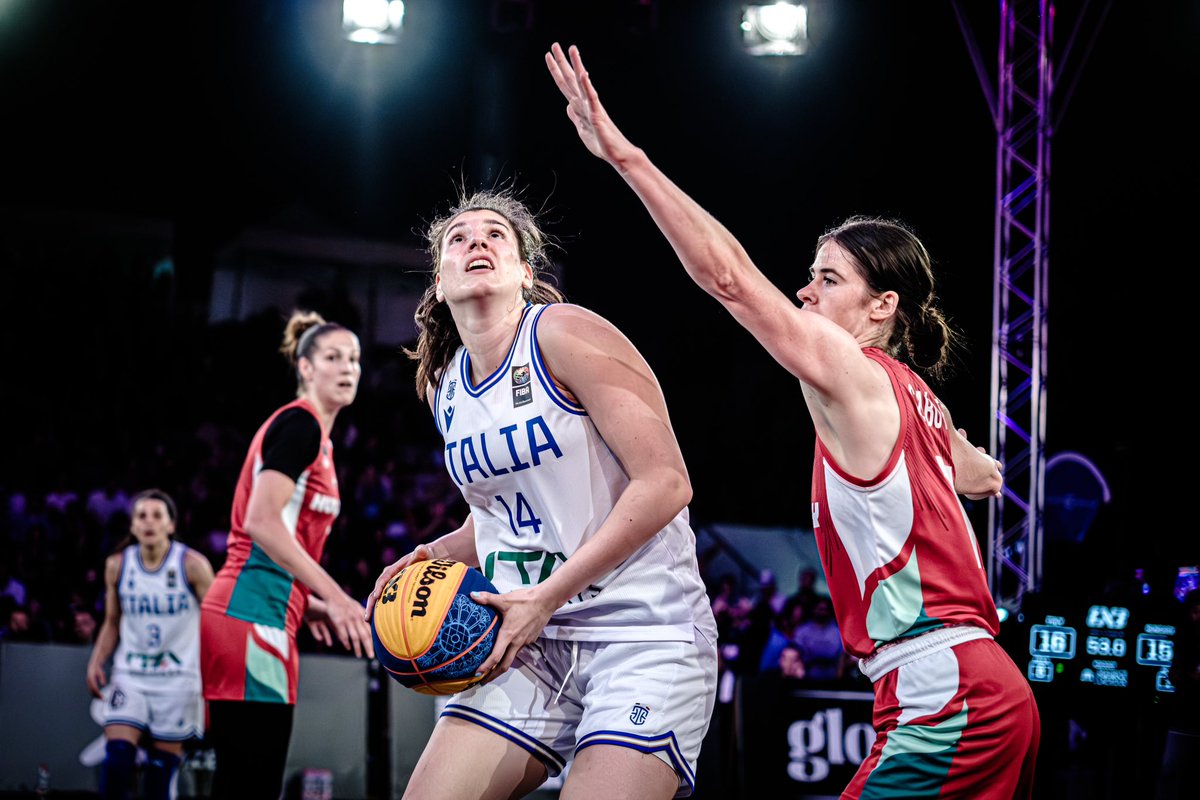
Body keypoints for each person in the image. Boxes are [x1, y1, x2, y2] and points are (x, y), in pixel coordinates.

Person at [546, 42, 1040, 798]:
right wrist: (959, 458)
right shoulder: (916, 399)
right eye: (809, 276)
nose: (805, 293)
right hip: (980, 685)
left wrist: (625, 156)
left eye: (826, 278)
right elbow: (983, 475)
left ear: (883, 309)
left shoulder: (855, 374)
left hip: (946, 691)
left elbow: (730, 280)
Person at [365, 186, 718, 799]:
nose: (476, 240)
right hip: (529, 638)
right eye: (459, 237)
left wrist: (546, 597)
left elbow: (666, 482)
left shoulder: (563, 332)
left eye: (495, 234)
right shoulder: (446, 389)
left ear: (526, 273)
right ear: (440, 284)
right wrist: (435, 554)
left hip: (641, 633)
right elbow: (501, 518)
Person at [201, 310, 374, 800]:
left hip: (271, 611)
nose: (348, 368)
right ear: (305, 367)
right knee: (249, 783)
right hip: (248, 611)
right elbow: (260, 520)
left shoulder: (317, 438)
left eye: (355, 359)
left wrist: (307, 602)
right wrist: (336, 596)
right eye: (333, 357)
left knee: (248, 780)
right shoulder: (299, 424)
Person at [85, 488, 215, 800]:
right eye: (141, 515)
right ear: (132, 525)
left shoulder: (193, 565)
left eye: (157, 516)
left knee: (160, 774)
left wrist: (213, 681)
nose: (149, 522)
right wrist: (96, 660)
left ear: (171, 525)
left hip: (179, 679)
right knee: (117, 758)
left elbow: (215, 625)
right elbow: (113, 621)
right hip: (130, 674)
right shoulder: (117, 566)